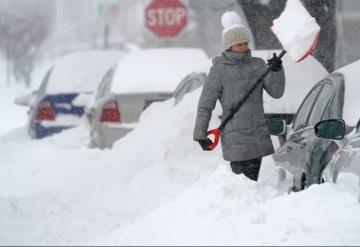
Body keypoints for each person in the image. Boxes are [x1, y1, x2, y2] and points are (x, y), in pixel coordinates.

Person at [193, 11, 285, 181]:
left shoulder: (257, 65)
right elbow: (206, 104)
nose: (243, 47)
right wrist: (200, 133)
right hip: (235, 138)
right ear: (229, 46)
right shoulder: (219, 70)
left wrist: (277, 71)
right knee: (242, 185)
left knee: (250, 183)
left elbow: (277, 92)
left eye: (245, 43)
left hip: (257, 136)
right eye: (238, 44)